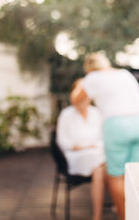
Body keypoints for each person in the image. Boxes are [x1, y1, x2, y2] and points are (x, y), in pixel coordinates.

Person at [70, 52, 139, 220]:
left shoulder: (92, 77)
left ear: (89, 68)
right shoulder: (124, 73)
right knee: (134, 173)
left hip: (117, 123)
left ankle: (125, 217)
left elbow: (75, 100)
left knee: (115, 174)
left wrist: (81, 84)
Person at [57, 79, 106, 220]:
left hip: (97, 152)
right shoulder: (66, 114)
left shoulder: (97, 113)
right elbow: (62, 140)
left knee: (104, 164)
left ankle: (105, 210)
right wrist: (81, 147)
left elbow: (104, 137)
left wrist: (96, 146)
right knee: (101, 167)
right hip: (76, 156)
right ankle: (98, 215)